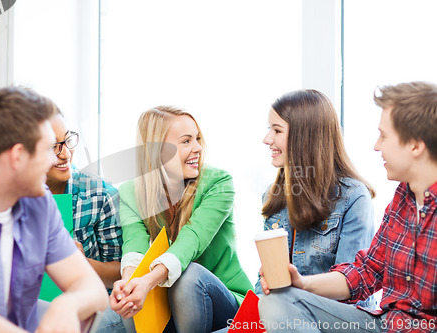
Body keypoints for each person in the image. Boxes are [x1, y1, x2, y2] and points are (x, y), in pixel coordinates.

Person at [258, 81, 437, 333]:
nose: (377, 146)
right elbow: (366, 272)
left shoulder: (353, 195)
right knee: (278, 299)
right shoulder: (402, 201)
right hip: (383, 325)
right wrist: (302, 284)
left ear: (415, 145)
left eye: (384, 136)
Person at [0, 87, 108, 333]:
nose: (54, 160)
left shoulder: (40, 205)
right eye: (47, 149)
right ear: (18, 156)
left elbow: (91, 289)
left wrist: (67, 306)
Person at [110, 106, 253, 332]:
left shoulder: (219, 183)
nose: (198, 148)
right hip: (171, 305)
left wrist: (148, 281)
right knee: (131, 297)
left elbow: (192, 239)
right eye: (186, 141)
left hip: (227, 303)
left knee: (189, 276)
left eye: (197, 139)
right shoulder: (130, 192)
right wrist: (129, 284)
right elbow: (134, 245)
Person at [257, 89, 376, 310]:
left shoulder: (353, 197)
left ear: (305, 137)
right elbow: (264, 283)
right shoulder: (273, 196)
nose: (267, 139)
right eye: (269, 129)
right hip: (281, 313)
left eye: (277, 130)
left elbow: (351, 290)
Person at [45, 111, 125, 333]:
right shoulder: (12, 196)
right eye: (53, 146)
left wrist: (81, 263)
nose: (66, 154)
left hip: (94, 307)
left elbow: (121, 272)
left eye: (68, 140)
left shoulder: (99, 193)